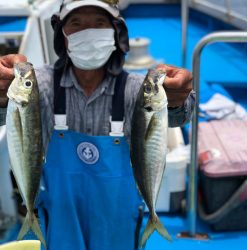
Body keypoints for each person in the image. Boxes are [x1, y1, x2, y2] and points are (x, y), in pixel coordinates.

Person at [0, 0, 195, 249]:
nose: (88, 31)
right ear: (62, 33)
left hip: (118, 219)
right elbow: (6, 118)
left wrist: (177, 100)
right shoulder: (41, 84)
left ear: (116, 32)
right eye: (76, 23)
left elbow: (180, 117)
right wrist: (2, 95)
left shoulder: (135, 88)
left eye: (99, 23)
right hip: (60, 216)